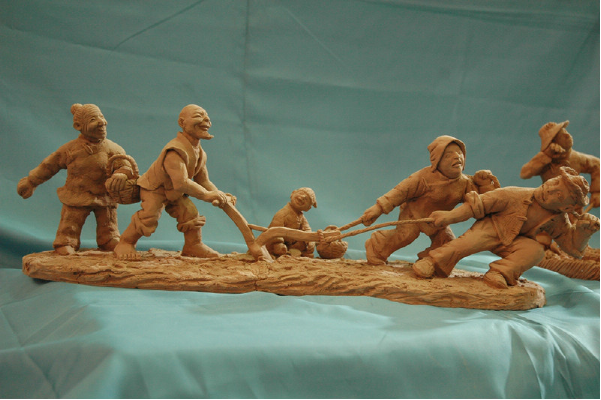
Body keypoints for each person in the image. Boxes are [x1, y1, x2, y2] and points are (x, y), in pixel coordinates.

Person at [412, 167, 600, 289]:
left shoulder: (558, 219)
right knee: (465, 244)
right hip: (491, 229)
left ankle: (500, 272)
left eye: (558, 195)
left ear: (566, 208)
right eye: (554, 183)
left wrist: (583, 231)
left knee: (535, 251)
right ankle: (433, 262)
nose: (549, 190)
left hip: (515, 241)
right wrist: (449, 216)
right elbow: (477, 204)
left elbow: (572, 248)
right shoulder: (514, 194)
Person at [114, 104, 231, 260]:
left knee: (190, 213)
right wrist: (207, 195)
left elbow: (203, 180)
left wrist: (218, 194)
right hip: (154, 188)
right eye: (198, 116)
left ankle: (193, 245)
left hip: (174, 191)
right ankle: (125, 242)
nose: (206, 120)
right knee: (149, 216)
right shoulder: (175, 150)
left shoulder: (200, 153)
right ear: (182, 123)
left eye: (207, 116)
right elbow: (181, 183)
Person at [361, 135, 500, 265]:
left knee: (447, 244)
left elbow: (483, 201)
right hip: (414, 215)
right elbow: (399, 192)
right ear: (436, 161)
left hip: (438, 221)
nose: (457, 157)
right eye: (448, 155)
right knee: (405, 236)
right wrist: (378, 208)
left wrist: (484, 184)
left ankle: (429, 262)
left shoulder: (465, 183)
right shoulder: (423, 177)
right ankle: (376, 246)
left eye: (459, 153)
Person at [17, 103, 134, 255]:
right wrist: (31, 181)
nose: (102, 122)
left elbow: (124, 164)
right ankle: (66, 242)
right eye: (93, 119)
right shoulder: (70, 150)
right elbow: (49, 165)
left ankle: (109, 239)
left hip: (104, 195)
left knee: (108, 222)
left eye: (102, 117)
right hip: (77, 194)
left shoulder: (113, 148)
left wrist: (122, 174)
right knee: (70, 221)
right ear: (78, 126)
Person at [521, 120, 599, 209]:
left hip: (573, 207)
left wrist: (597, 192)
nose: (567, 135)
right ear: (552, 143)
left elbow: (597, 165)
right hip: (550, 207)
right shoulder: (545, 161)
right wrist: (545, 156)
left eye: (565, 131)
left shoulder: (577, 158)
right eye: (560, 135)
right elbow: (524, 173)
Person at [266, 187, 317, 258]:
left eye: (306, 199)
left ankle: (297, 253)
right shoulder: (282, 214)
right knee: (279, 248)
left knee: (304, 244)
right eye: (301, 193)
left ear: (308, 208)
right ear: (292, 193)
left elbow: (306, 229)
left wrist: (310, 240)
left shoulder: (301, 216)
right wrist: (278, 244)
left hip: (290, 244)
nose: (302, 197)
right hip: (275, 242)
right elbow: (275, 231)